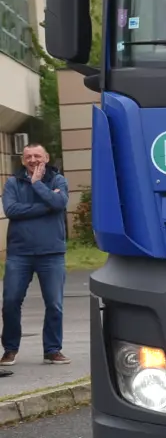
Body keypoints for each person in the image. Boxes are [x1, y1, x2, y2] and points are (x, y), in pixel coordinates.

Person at [1, 144, 71, 371]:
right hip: (19, 254)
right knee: (11, 301)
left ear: (46, 158)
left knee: (54, 304)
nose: (33, 159)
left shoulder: (58, 180)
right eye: (28, 156)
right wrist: (47, 204)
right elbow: (11, 210)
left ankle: (52, 350)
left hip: (51, 253)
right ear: (23, 161)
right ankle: (10, 349)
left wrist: (37, 184)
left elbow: (60, 203)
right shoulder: (12, 182)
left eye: (37, 156)